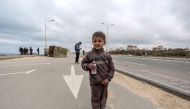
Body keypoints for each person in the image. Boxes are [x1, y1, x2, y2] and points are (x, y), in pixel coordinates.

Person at [81, 31, 115, 109]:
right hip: (95, 83)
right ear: (92, 42)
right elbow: (83, 64)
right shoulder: (89, 55)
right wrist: (88, 66)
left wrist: (108, 79)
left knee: (103, 99)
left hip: (105, 83)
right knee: (95, 99)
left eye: (100, 41)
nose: (97, 43)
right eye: (95, 41)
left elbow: (112, 69)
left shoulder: (107, 55)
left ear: (104, 42)